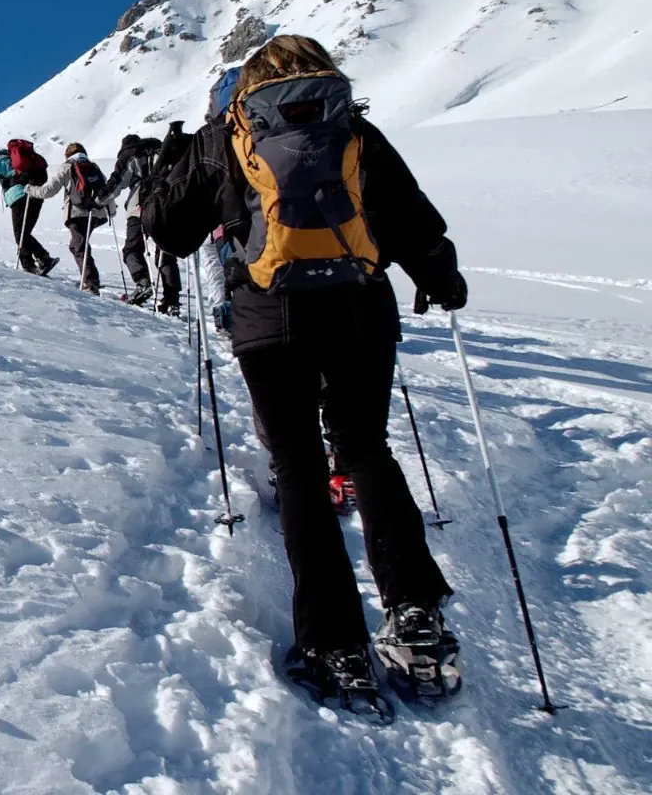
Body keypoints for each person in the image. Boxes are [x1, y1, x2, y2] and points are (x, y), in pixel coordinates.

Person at [143, 35, 468, 709]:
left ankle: (333, 643)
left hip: (270, 318)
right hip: (360, 308)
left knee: (297, 467)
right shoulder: (352, 127)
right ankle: (414, 614)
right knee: (366, 448)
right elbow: (411, 218)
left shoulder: (226, 133)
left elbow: (168, 229)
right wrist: (442, 277)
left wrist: (175, 171)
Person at [26, 142, 112, 294]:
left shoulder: (67, 167)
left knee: (80, 247)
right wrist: (110, 210)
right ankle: (90, 279)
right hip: (97, 213)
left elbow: (49, 191)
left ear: (67, 155)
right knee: (75, 245)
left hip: (77, 213)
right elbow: (106, 190)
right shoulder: (94, 168)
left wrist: (30, 190)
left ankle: (90, 282)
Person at [0, 142, 60, 275]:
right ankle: (33, 263)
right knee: (23, 233)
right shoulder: (13, 159)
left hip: (19, 197)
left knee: (20, 234)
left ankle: (38, 261)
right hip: (35, 194)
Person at [111, 133, 181, 314]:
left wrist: (99, 201)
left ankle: (142, 282)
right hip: (166, 206)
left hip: (139, 207)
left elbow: (116, 183)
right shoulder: (166, 153)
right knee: (165, 251)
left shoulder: (132, 156)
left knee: (132, 249)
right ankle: (172, 300)